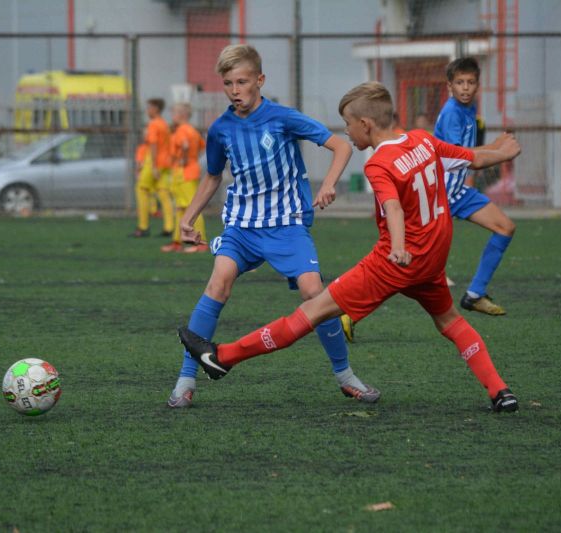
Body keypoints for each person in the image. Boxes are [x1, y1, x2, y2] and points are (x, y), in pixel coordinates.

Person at [179, 81, 522, 413]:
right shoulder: (423, 140)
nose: (346, 131)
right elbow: (473, 159)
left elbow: (393, 208)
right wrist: (501, 152)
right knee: (450, 321)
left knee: (311, 311)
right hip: (431, 262)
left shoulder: (378, 163)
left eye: (347, 124)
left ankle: (223, 357)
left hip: (394, 263)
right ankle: (500, 391)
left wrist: (398, 247)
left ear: (366, 124)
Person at [167, 44, 378, 408]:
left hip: (286, 225)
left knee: (315, 293)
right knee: (218, 283)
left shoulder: (283, 118)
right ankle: (186, 380)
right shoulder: (220, 129)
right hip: (242, 227)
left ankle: (345, 376)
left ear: (260, 80)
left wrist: (328, 184)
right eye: (228, 83)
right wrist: (187, 217)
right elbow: (213, 176)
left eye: (242, 82)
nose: (235, 90)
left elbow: (341, 147)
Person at [434, 57, 516, 316]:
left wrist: (494, 147)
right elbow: (459, 157)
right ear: (449, 86)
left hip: (456, 192)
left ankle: (475, 294)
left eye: (470, 82)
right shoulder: (452, 113)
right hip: (437, 195)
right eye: (460, 82)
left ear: (478, 85)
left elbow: (466, 155)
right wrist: (498, 150)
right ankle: (350, 310)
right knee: (405, 267)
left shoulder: (470, 107)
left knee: (505, 227)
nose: (465, 87)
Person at [160, 103, 208, 253]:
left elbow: (185, 145)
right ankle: (177, 242)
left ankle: (201, 243)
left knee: (192, 207)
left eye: (174, 113)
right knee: (181, 208)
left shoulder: (182, 130)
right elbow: (202, 146)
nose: (172, 116)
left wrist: (184, 160)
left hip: (184, 173)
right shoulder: (193, 130)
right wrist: (193, 159)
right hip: (190, 170)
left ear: (181, 115)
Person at [131, 98, 174, 238]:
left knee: (141, 189)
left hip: (154, 162)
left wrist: (154, 166)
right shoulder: (164, 124)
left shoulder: (154, 124)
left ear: (156, 108)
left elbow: (153, 145)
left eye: (149, 107)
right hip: (165, 163)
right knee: (163, 193)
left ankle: (143, 227)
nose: (147, 110)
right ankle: (169, 227)